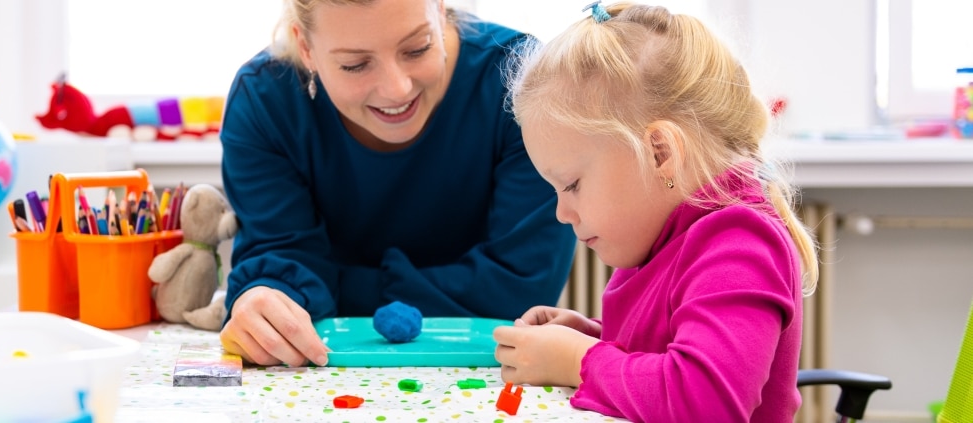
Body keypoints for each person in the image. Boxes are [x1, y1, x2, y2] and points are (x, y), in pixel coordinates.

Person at [492, 2, 820, 422]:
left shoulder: (740, 244)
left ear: (659, 152)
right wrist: (591, 338)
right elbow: (668, 353)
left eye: (571, 185)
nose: (561, 213)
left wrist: (579, 360)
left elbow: (705, 403)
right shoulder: (662, 234)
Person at [218, 0, 578, 368]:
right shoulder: (263, 101)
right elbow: (279, 264)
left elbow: (519, 289)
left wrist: (332, 287)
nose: (397, 89)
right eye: (355, 65)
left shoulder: (523, 80)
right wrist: (264, 301)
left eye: (417, 48)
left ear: (440, 10)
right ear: (305, 47)